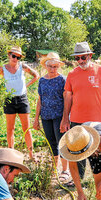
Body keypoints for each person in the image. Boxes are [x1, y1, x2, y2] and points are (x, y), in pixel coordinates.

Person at [60, 42, 101, 178]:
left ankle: (99, 178)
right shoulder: (72, 74)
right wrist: (65, 118)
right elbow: (67, 97)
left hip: (96, 120)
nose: (80, 61)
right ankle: (79, 180)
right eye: (77, 58)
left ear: (90, 56)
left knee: (97, 150)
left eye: (83, 57)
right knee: (77, 151)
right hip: (76, 118)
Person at [33, 52, 70, 183]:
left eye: (55, 66)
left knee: (62, 142)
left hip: (59, 116)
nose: (53, 69)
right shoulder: (42, 80)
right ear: (46, 66)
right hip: (46, 116)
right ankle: (54, 168)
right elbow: (40, 100)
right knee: (51, 143)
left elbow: (66, 99)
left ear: (59, 66)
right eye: (50, 66)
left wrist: (66, 118)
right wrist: (36, 118)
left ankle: (65, 170)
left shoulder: (62, 80)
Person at [0, 46, 39, 161]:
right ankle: (11, 155)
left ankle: (31, 154)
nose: (15, 58)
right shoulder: (2, 69)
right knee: (10, 129)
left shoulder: (23, 67)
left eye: (18, 57)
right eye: (13, 56)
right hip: (9, 99)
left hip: (22, 99)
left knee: (26, 128)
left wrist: (26, 86)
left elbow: (36, 76)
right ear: (9, 55)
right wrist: (0, 90)